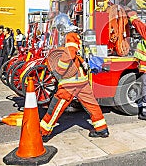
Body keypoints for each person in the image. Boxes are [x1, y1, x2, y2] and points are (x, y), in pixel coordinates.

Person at [40, 13, 109, 141]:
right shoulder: (75, 35)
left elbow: (70, 55)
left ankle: (43, 132)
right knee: (91, 104)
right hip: (81, 79)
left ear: (62, 26)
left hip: (70, 81)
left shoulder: (70, 36)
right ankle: (102, 129)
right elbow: (77, 55)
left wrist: (59, 69)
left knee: (57, 105)